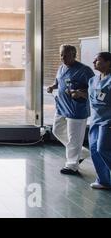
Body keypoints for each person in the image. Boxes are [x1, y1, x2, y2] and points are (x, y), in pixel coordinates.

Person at [46, 44, 94, 175]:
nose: (63, 57)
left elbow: (94, 89)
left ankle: (72, 165)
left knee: (74, 138)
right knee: (57, 130)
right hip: (61, 106)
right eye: (61, 55)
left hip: (76, 109)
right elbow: (59, 82)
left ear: (74, 55)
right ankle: (82, 152)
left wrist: (80, 93)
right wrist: (52, 87)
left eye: (66, 55)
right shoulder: (61, 68)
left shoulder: (84, 70)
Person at [86, 52, 111, 189]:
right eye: (94, 59)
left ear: (108, 62)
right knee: (94, 149)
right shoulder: (92, 80)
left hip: (108, 120)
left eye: (98, 60)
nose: (94, 62)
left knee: (103, 149)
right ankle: (104, 180)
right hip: (95, 119)